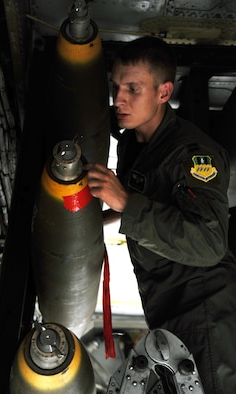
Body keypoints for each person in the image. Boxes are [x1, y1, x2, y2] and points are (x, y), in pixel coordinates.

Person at [85, 36, 236, 393]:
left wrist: (126, 204)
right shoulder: (133, 142)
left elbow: (210, 243)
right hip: (168, 302)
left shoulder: (193, 156)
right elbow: (149, 204)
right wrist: (106, 217)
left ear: (164, 93)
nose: (119, 98)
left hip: (203, 307)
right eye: (116, 86)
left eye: (133, 89)